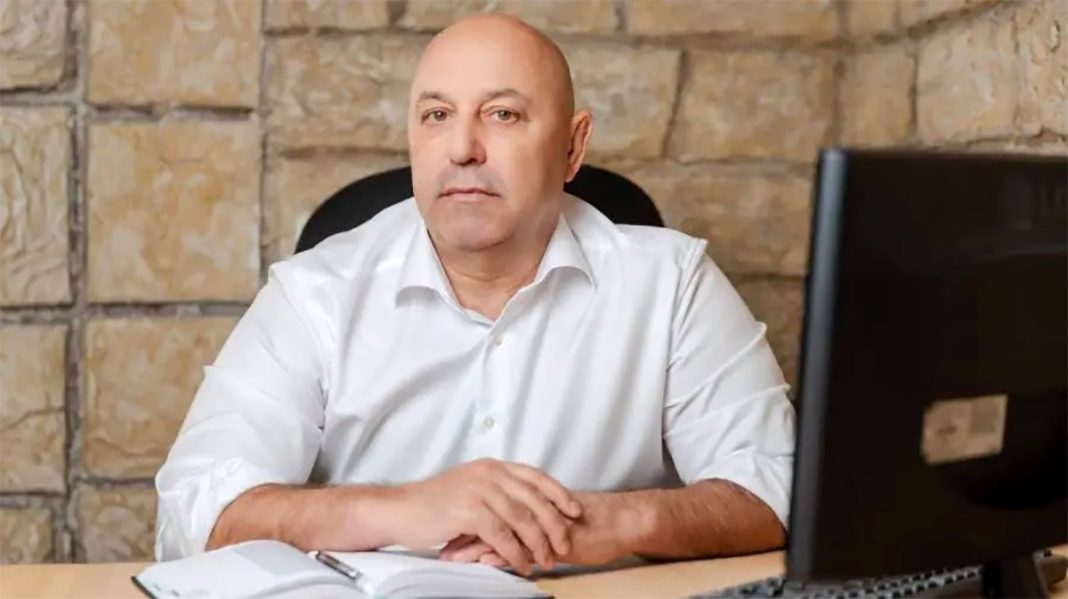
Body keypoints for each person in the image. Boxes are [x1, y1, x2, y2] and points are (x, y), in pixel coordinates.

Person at [155, 14, 795, 575]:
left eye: (503, 114)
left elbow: (779, 489)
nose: (462, 148)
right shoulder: (315, 294)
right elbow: (194, 512)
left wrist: (601, 523)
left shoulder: (672, 282)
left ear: (572, 146)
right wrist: (407, 509)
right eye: (437, 116)